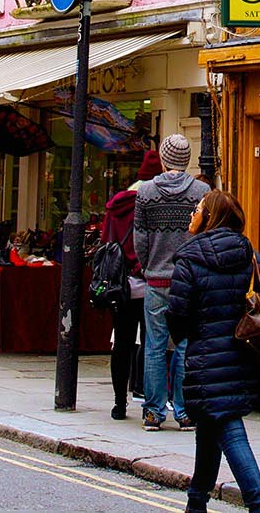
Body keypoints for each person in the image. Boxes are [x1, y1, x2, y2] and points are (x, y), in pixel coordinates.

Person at [166, 190, 260, 513]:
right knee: (210, 427)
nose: (191, 215)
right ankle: (196, 502)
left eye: (197, 210)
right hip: (241, 359)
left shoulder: (190, 259)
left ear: (210, 217)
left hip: (206, 361)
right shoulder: (250, 255)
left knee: (229, 429)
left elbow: (177, 317)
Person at [133, 133, 209, 431]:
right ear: (187, 160)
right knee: (185, 345)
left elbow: (140, 238)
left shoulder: (146, 192)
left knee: (154, 344)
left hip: (156, 281)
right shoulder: (201, 191)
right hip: (188, 282)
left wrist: (148, 265)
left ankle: (153, 412)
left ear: (164, 159)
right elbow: (203, 236)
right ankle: (183, 410)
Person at [101, 148, 161, 419]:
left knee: (122, 344)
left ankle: (119, 403)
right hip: (151, 283)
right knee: (152, 345)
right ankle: (150, 401)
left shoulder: (116, 205)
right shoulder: (155, 202)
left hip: (121, 286)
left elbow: (105, 242)